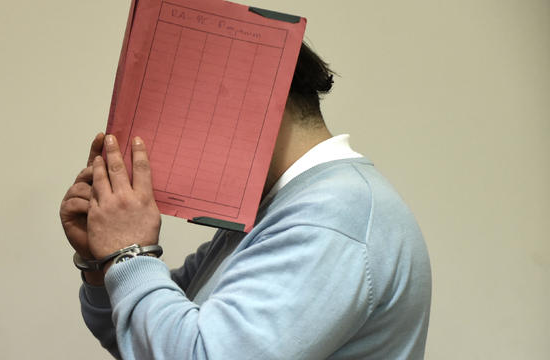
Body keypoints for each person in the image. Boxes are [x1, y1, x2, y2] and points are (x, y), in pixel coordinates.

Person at [60, 43, 432, 359]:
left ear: (256, 99)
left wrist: (128, 252)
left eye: (186, 111)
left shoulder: (331, 219)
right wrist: (102, 262)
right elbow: (147, 339)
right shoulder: (286, 206)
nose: (171, 140)